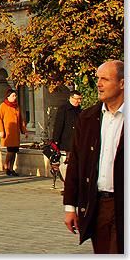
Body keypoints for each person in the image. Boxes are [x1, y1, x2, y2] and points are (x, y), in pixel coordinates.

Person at [63, 60, 123, 254]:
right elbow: (76, 165)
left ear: (122, 83)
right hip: (98, 205)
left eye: (105, 79)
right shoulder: (88, 118)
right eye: (98, 79)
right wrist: (70, 207)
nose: (98, 84)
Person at [52, 91, 82, 183]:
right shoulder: (64, 109)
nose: (79, 101)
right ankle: (68, 183)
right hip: (68, 140)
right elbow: (58, 124)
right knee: (70, 163)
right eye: (77, 99)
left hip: (77, 140)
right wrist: (55, 140)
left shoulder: (79, 110)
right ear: (71, 98)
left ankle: (71, 183)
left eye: (80, 99)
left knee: (74, 163)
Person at [0, 88, 28, 176]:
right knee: (10, 150)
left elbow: (21, 119)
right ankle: (6, 166)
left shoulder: (17, 106)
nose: (15, 97)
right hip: (8, 132)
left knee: (15, 150)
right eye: (13, 96)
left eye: (15, 96)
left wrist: (24, 131)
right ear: (8, 96)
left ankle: (11, 168)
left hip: (16, 132)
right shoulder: (3, 106)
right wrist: (1, 131)